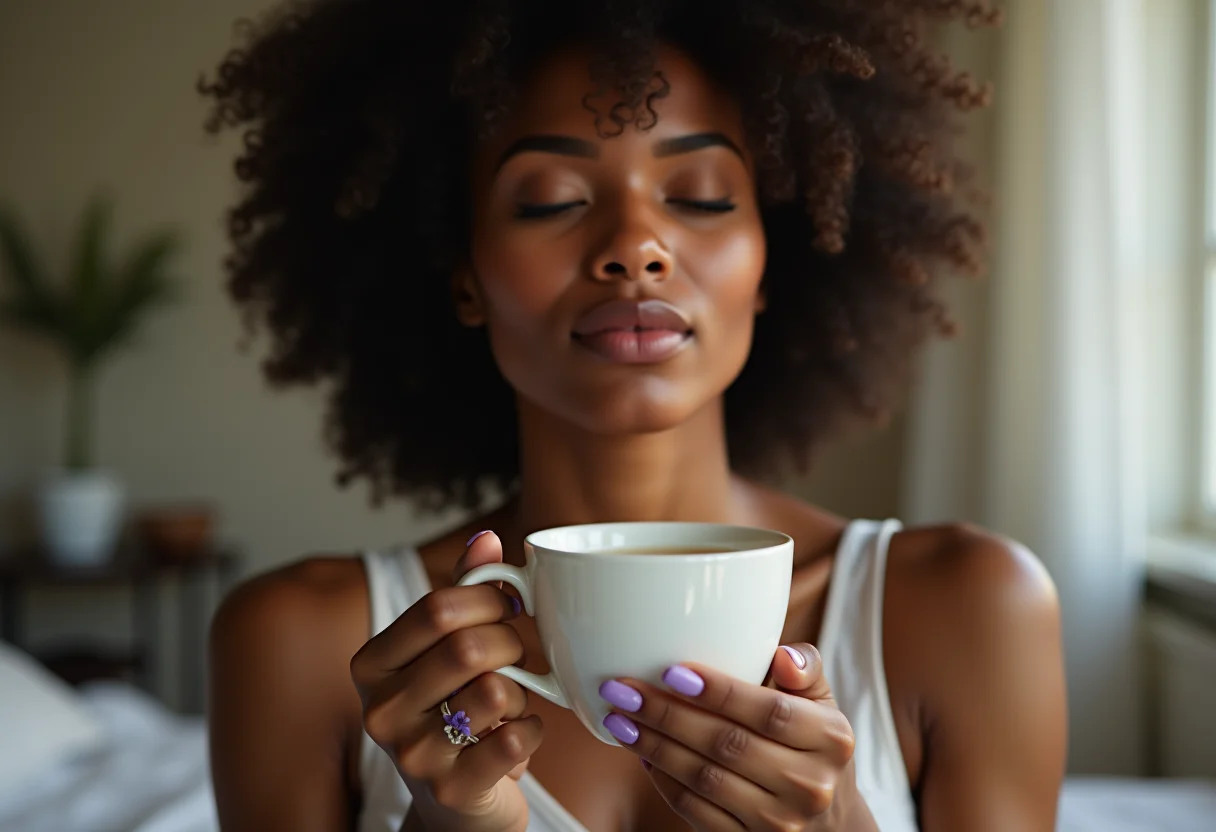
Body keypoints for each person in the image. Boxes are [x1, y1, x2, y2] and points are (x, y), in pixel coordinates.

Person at [199, 2, 1066, 830]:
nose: (633, 246)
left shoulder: (967, 609)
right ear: (465, 275)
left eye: (699, 195)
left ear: (769, 263)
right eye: (549, 199)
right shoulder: (300, 646)